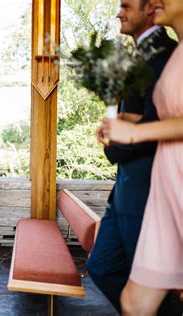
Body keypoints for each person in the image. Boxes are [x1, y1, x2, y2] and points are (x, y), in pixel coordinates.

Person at [86, 0, 177, 312]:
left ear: (149, 9)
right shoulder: (141, 54)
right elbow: (145, 114)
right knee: (101, 267)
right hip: (126, 186)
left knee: (153, 284)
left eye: (126, 6)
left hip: (148, 186)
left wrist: (120, 141)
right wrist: (119, 125)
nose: (118, 12)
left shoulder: (163, 53)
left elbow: (161, 121)